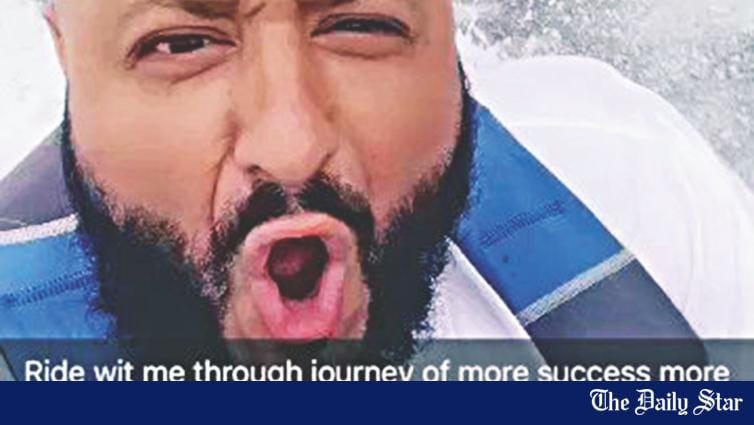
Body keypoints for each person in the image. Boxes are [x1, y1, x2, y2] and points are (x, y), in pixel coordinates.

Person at [0, 0, 752, 379]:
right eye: (183, 43)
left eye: (361, 24)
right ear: (63, 49)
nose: (293, 151)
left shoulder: (638, 201)